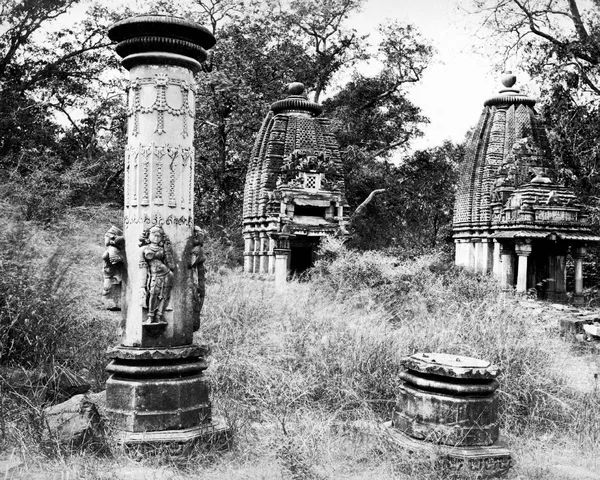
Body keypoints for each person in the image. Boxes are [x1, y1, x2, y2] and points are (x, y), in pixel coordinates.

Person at [139, 225, 174, 323]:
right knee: (153, 294)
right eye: (154, 235)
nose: (156, 237)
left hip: (167, 274)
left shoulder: (162, 249)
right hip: (154, 275)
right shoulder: (144, 249)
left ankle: (159, 316)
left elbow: (171, 266)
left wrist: (168, 251)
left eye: (159, 236)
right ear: (148, 236)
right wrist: (142, 285)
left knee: (164, 295)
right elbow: (143, 267)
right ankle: (150, 316)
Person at [102, 226, 125, 310]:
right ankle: (113, 304)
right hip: (109, 274)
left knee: (108, 290)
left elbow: (114, 260)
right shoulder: (112, 249)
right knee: (107, 290)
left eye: (108, 236)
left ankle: (115, 304)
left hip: (113, 275)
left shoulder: (113, 249)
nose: (106, 238)